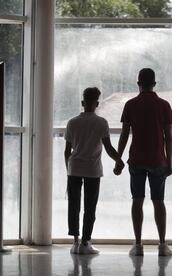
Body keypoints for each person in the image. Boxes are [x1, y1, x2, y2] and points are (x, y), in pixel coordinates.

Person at [115, 68, 172, 256]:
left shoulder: (131, 105)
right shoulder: (164, 105)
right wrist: (169, 162)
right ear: (154, 84)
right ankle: (163, 245)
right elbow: (168, 137)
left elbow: (124, 135)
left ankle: (138, 244)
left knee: (137, 201)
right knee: (159, 202)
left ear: (138, 83)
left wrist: (118, 159)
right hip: (158, 160)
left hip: (137, 159)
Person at [65, 87, 124, 255]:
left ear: (82, 102)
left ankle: (75, 242)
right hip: (92, 170)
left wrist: (68, 169)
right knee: (90, 207)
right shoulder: (101, 123)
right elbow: (108, 148)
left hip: (74, 168)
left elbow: (66, 151)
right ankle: (85, 243)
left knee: (73, 205)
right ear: (97, 103)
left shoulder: (72, 122)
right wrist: (119, 161)